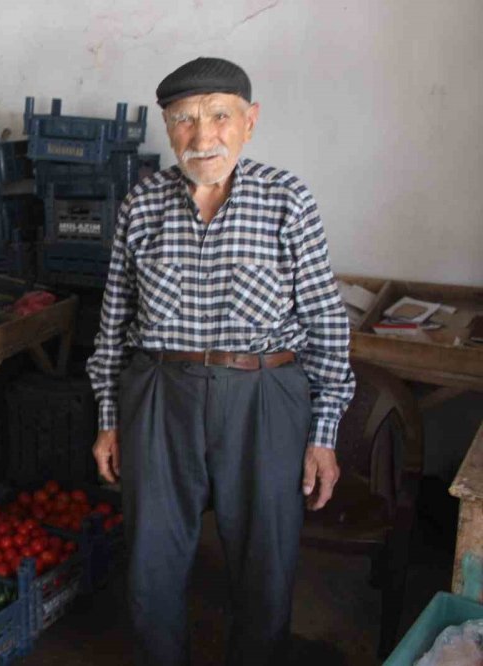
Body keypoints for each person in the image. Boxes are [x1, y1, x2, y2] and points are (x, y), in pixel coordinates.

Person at [87, 57, 355, 666]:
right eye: (184, 119)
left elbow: (327, 326)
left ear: (250, 121)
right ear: (167, 126)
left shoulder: (287, 200)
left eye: (219, 116)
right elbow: (112, 326)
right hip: (159, 393)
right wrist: (109, 418)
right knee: (151, 561)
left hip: (264, 396)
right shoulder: (141, 205)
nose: (202, 136)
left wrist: (323, 433)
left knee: (266, 560)